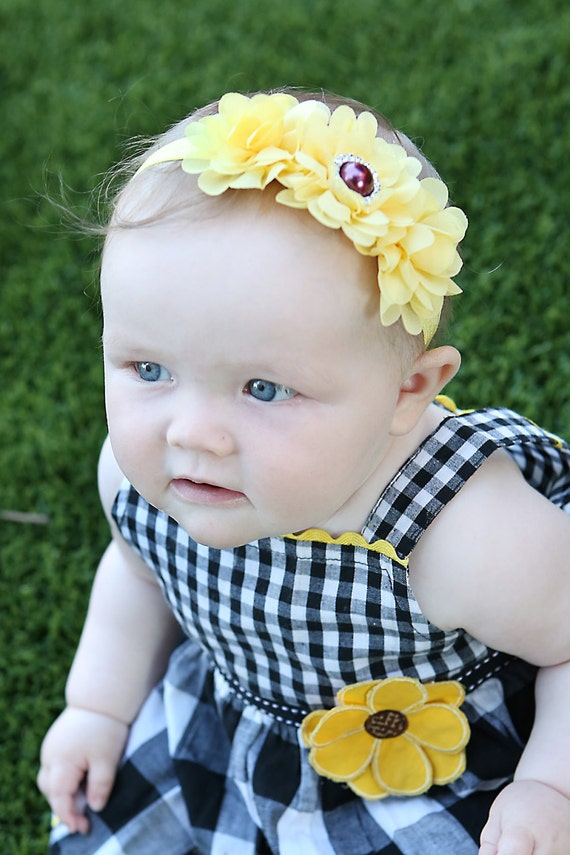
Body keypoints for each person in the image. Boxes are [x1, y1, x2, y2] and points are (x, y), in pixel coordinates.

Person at [38, 89, 570, 855]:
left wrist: (549, 784)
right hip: (244, 713)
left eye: (263, 388)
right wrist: (96, 706)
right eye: (147, 367)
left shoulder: (467, 538)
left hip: (429, 761)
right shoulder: (139, 480)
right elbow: (138, 569)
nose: (191, 433)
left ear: (408, 391)